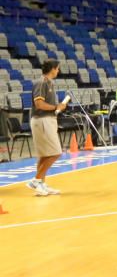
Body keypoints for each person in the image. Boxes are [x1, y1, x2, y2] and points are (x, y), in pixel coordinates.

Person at [27, 59, 68, 196]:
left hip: (47, 120)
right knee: (56, 152)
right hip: (42, 120)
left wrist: (57, 108)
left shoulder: (49, 83)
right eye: (57, 68)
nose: (58, 71)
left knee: (45, 155)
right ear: (52, 69)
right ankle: (36, 180)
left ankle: (41, 185)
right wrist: (57, 106)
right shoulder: (42, 82)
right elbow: (39, 104)